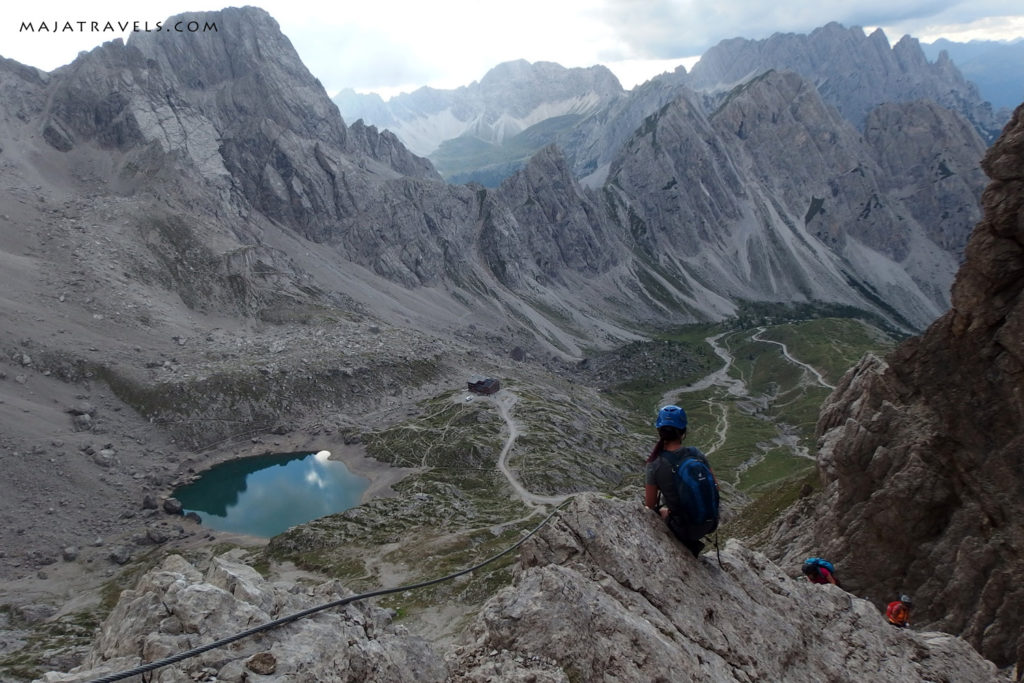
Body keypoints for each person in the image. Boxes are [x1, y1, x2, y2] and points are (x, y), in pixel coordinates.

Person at [644, 404, 719, 558]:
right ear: (683, 431)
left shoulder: (655, 464)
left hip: (685, 528)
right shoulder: (695, 453)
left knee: (660, 512)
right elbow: (716, 486)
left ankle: (687, 543)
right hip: (711, 522)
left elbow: (650, 505)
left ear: (659, 431)